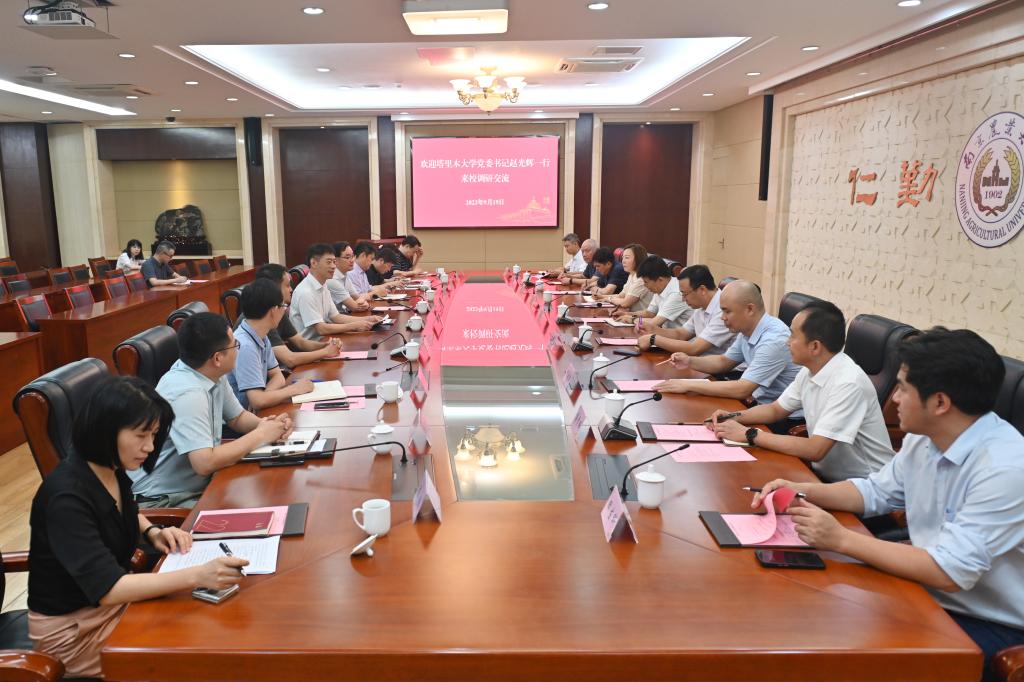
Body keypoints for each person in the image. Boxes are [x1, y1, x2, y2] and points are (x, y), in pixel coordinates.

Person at [752, 328, 1024, 682]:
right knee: (803, 611)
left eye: (903, 388)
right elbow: (873, 492)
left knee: (839, 655)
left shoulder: (1005, 468)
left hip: (989, 622)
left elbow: (949, 572)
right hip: (923, 590)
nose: (894, 398)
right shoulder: (925, 439)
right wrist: (800, 490)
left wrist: (840, 538)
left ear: (940, 403)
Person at [28, 376, 248, 678]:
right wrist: (198, 575)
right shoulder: (66, 498)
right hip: (75, 633)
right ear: (107, 429)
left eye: (154, 435)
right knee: (199, 647)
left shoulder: (108, 467)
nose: (150, 446)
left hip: (113, 608)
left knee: (208, 622)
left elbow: (120, 510)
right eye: (141, 435)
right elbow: (108, 589)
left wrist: (151, 532)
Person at [707, 300, 894, 481]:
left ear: (815, 346)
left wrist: (750, 434)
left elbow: (815, 449)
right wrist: (734, 417)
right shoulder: (810, 370)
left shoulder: (848, 383)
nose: (787, 342)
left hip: (868, 487)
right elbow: (775, 410)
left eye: (792, 336)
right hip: (826, 477)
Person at [130, 312, 293, 508]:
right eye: (235, 345)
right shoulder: (187, 394)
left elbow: (237, 418)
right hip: (165, 499)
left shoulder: (208, 371)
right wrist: (260, 435)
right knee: (265, 502)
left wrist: (269, 426)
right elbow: (204, 463)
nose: (238, 349)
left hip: (200, 484)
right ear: (217, 358)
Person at [654, 279, 802, 432]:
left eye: (727, 311)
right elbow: (724, 361)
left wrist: (687, 385)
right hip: (761, 407)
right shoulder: (748, 329)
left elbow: (742, 389)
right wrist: (689, 361)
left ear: (750, 309)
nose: (722, 317)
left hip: (786, 421)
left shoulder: (773, 340)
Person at [228, 278, 314, 410]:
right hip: (241, 418)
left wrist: (265, 396)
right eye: (283, 306)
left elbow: (277, 376)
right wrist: (294, 389)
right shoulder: (245, 346)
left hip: (254, 411)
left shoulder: (261, 335)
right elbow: (257, 402)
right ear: (274, 310)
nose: (284, 311)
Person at [251, 263, 343, 369]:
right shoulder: (262, 316)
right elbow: (289, 359)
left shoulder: (277, 308)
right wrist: (325, 352)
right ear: (273, 287)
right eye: (287, 285)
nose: (291, 289)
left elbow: (300, 342)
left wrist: (325, 345)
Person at [638, 264, 735, 355]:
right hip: (700, 362)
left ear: (702, 290)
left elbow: (695, 348)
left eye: (685, 294)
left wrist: (654, 339)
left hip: (718, 366)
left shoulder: (723, 311)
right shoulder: (701, 306)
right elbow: (681, 334)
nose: (683, 299)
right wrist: (653, 329)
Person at [289, 243, 380, 339]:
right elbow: (321, 329)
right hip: (311, 344)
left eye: (334, 262)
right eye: (329, 262)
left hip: (325, 338)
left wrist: (368, 319)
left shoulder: (323, 285)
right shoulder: (306, 292)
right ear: (314, 263)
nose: (333, 266)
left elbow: (335, 317)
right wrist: (354, 326)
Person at [613, 255, 692, 331]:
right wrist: (627, 314)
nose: (644, 285)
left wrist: (632, 319)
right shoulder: (660, 288)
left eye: (646, 282)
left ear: (660, 280)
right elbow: (650, 313)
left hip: (679, 338)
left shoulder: (676, 293)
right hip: (665, 333)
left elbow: (655, 322)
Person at [593, 243, 652, 312]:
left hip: (640, 318)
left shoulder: (641, 278)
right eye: (623, 257)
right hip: (628, 315)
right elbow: (621, 296)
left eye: (627, 257)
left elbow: (626, 303)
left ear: (638, 259)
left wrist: (608, 299)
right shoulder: (632, 275)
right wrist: (602, 297)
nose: (623, 261)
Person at [327, 241, 371, 313]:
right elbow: (355, 307)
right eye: (347, 257)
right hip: (337, 318)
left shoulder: (345, 274)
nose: (352, 260)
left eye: (352, 256)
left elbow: (357, 297)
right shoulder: (332, 279)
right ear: (335, 260)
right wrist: (364, 304)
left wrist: (363, 303)